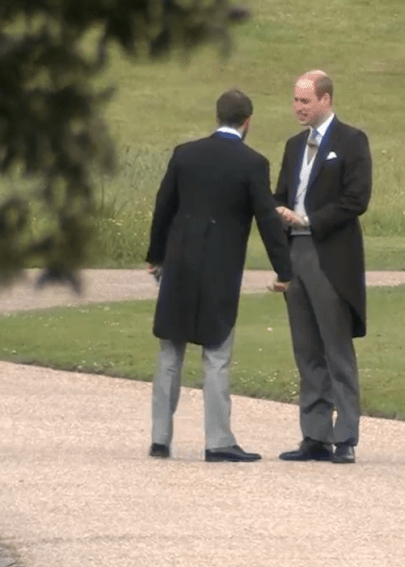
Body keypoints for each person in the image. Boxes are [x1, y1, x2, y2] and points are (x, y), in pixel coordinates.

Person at [145, 89, 292, 463]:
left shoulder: (185, 153)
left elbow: (164, 206)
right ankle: (218, 441)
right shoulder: (252, 163)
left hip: (179, 262)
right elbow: (266, 218)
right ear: (248, 122)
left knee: (170, 351)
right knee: (216, 354)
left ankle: (160, 438)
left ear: (217, 116)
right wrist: (284, 268)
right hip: (220, 266)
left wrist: (155, 254)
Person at [274, 70, 372, 464]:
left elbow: (356, 199)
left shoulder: (351, 141)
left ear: (326, 100)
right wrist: (276, 214)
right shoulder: (294, 145)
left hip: (329, 253)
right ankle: (314, 435)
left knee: (336, 347)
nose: (298, 108)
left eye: (305, 101)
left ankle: (345, 435)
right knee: (306, 347)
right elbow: (280, 193)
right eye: (296, 101)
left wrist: (310, 220)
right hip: (294, 253)